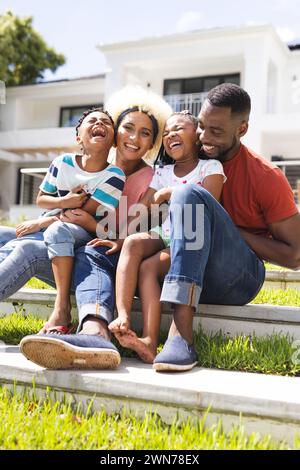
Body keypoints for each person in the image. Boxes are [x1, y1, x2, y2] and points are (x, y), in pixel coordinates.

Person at [18, 86, 172, 369]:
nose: (134, 138)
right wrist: (48, 219)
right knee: (11, 237)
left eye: (145, 133)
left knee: (77, 252)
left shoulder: (152, 180)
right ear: (115, 133)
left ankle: (95, 333)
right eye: (127, 128)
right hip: (69, 246)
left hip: (108, 255)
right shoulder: (98, 166)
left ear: (152, 143)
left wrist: (78, 223)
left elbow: (135, 234)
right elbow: (70, 210)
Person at [152, 83, 300, 372]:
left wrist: (223, 226)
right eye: (202, 127)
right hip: (192, 266)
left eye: (216, 131)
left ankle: (181, 334)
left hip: (239, 278)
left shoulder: (266, 177)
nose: (205, 138)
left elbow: (295, 256)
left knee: (188, 194)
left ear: (241, 129)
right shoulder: (185, 162)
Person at [109, 111, 226, 363]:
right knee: (132, 244)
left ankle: (155, 340)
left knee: (149, 267)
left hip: (194, 238)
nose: (170, 134)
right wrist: (119, 237)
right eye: (167, 132)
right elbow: (145, 207)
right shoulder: (162, 171)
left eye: (179, 129)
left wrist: (170, 193)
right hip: (168, 232)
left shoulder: (211, 167)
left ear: (197, 137)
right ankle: (126, 319)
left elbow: (207, 204)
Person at [36, 108, 125, 334]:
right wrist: (66, 199)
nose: (100, 124)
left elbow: (78, 215)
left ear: (113, 141)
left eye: (106, 122)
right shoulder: (62, 162)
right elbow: (41, 200)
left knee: (58, 231)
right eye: (92, 121)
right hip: (51, 220)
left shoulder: (114, 175)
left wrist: (38, 224)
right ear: (79, 138)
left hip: (83, 230)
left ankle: (62, 307)